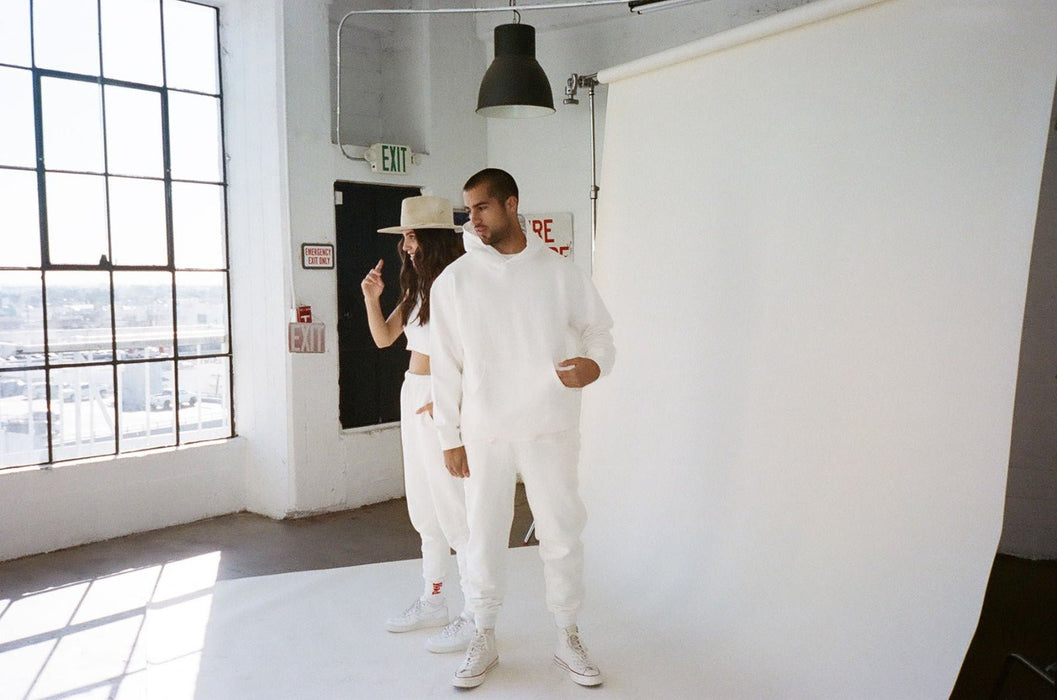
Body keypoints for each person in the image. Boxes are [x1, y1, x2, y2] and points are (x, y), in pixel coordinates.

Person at [429, 169, 615, 689]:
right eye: (468, 211)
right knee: (483, 535)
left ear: (512, 205)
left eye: (482, 208)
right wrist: (449, 436)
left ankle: (567, 633)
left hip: (550, 425)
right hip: (484, 431)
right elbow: (444, 367)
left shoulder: (559, 273)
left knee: (561, 533)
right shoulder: (456, 282)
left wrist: (594, 366)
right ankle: (483, 632)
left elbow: (600, 335)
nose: (474, 220)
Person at [361, 195, 475, 654]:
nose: (405, 246)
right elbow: (385, 338)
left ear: (431, 238)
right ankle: (434, 599)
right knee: (425, 508)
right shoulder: (416, 290)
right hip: (415, 392)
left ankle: (474, 613)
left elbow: (478, 351)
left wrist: (453, 400)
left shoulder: (460, 285)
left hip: (440, 398)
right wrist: (372, 299)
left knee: (454, 508)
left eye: (411, 236)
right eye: (404, 238)